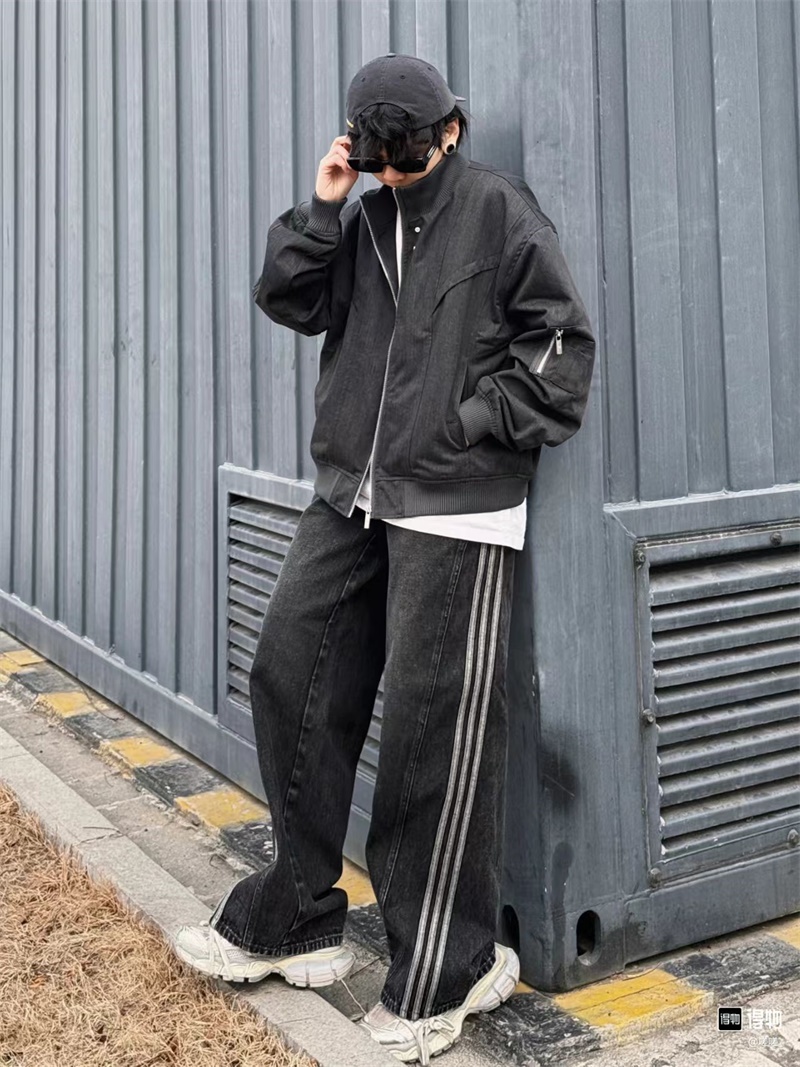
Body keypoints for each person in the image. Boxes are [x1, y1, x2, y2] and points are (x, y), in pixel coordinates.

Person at [175, 53, 596, 1065]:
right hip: (352, 493)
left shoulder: (499, 212)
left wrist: (468, 424)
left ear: (448, 131)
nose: (396, 172)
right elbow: (289, 297)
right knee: (289, 670)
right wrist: (324, 205)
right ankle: (297, 913)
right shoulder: (361, 213)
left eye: (407, 155)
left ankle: (452, 965)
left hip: (458, 501)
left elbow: (561, 350)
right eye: (380, 158)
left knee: (427, 727)